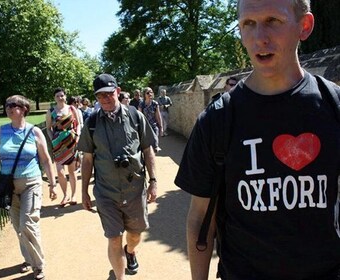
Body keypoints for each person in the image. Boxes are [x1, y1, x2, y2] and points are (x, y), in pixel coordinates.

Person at [175, 0, 340, 279]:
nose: (259, 38)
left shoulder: (333, 107)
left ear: (305, 26)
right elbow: (201, 217)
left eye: (273, 21)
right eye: (248, 24)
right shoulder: (217, 120)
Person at [78, 73, 158, 280]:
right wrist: (84, 191)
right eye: (100, 95)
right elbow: (87, 159)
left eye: (109, 93)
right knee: (113, 238)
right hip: (106, 192)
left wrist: (154, 182)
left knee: (135, 235)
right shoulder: (92, 122)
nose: (105, 99)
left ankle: (130, 251)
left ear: (118, 91)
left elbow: (148, 150)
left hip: (134, 190)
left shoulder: (135, 117)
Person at [0, 95, 58, 280]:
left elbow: (45, 159)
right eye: (7, 105)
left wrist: (53, 184)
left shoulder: (35, 132)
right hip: (8, 186)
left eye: (13, 105)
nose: (9, 108)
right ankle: (28, 259)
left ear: (24, 109)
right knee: (18, 227)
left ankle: (38, 265)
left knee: (28, 223)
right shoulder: (1, 131)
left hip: (31, 183)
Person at [46, 88, 81, 207]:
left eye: (62, 95)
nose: (60, 97)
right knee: (60, 171)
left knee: (71, 170)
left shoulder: (71, 109)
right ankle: (65, 195)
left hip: (71, 141)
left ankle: (73, 195)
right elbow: (48, 128)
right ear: (54, 98)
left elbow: (78, 123)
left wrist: (77, 135)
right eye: (57, 96)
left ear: (65, 96)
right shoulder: (51, 111)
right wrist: (53, 140)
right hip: (58, 143)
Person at [139, 87, 162, 152]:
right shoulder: (142, 104)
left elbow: (158, 116)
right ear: (144, 94)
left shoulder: (155, 104)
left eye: (151, 92)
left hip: (153, 125)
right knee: (146, 145)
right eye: (148, 92)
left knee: (155, 142)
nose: (150, 94)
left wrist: (161, 127)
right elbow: (139, 116)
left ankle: (155, 149)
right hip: (145, 126)